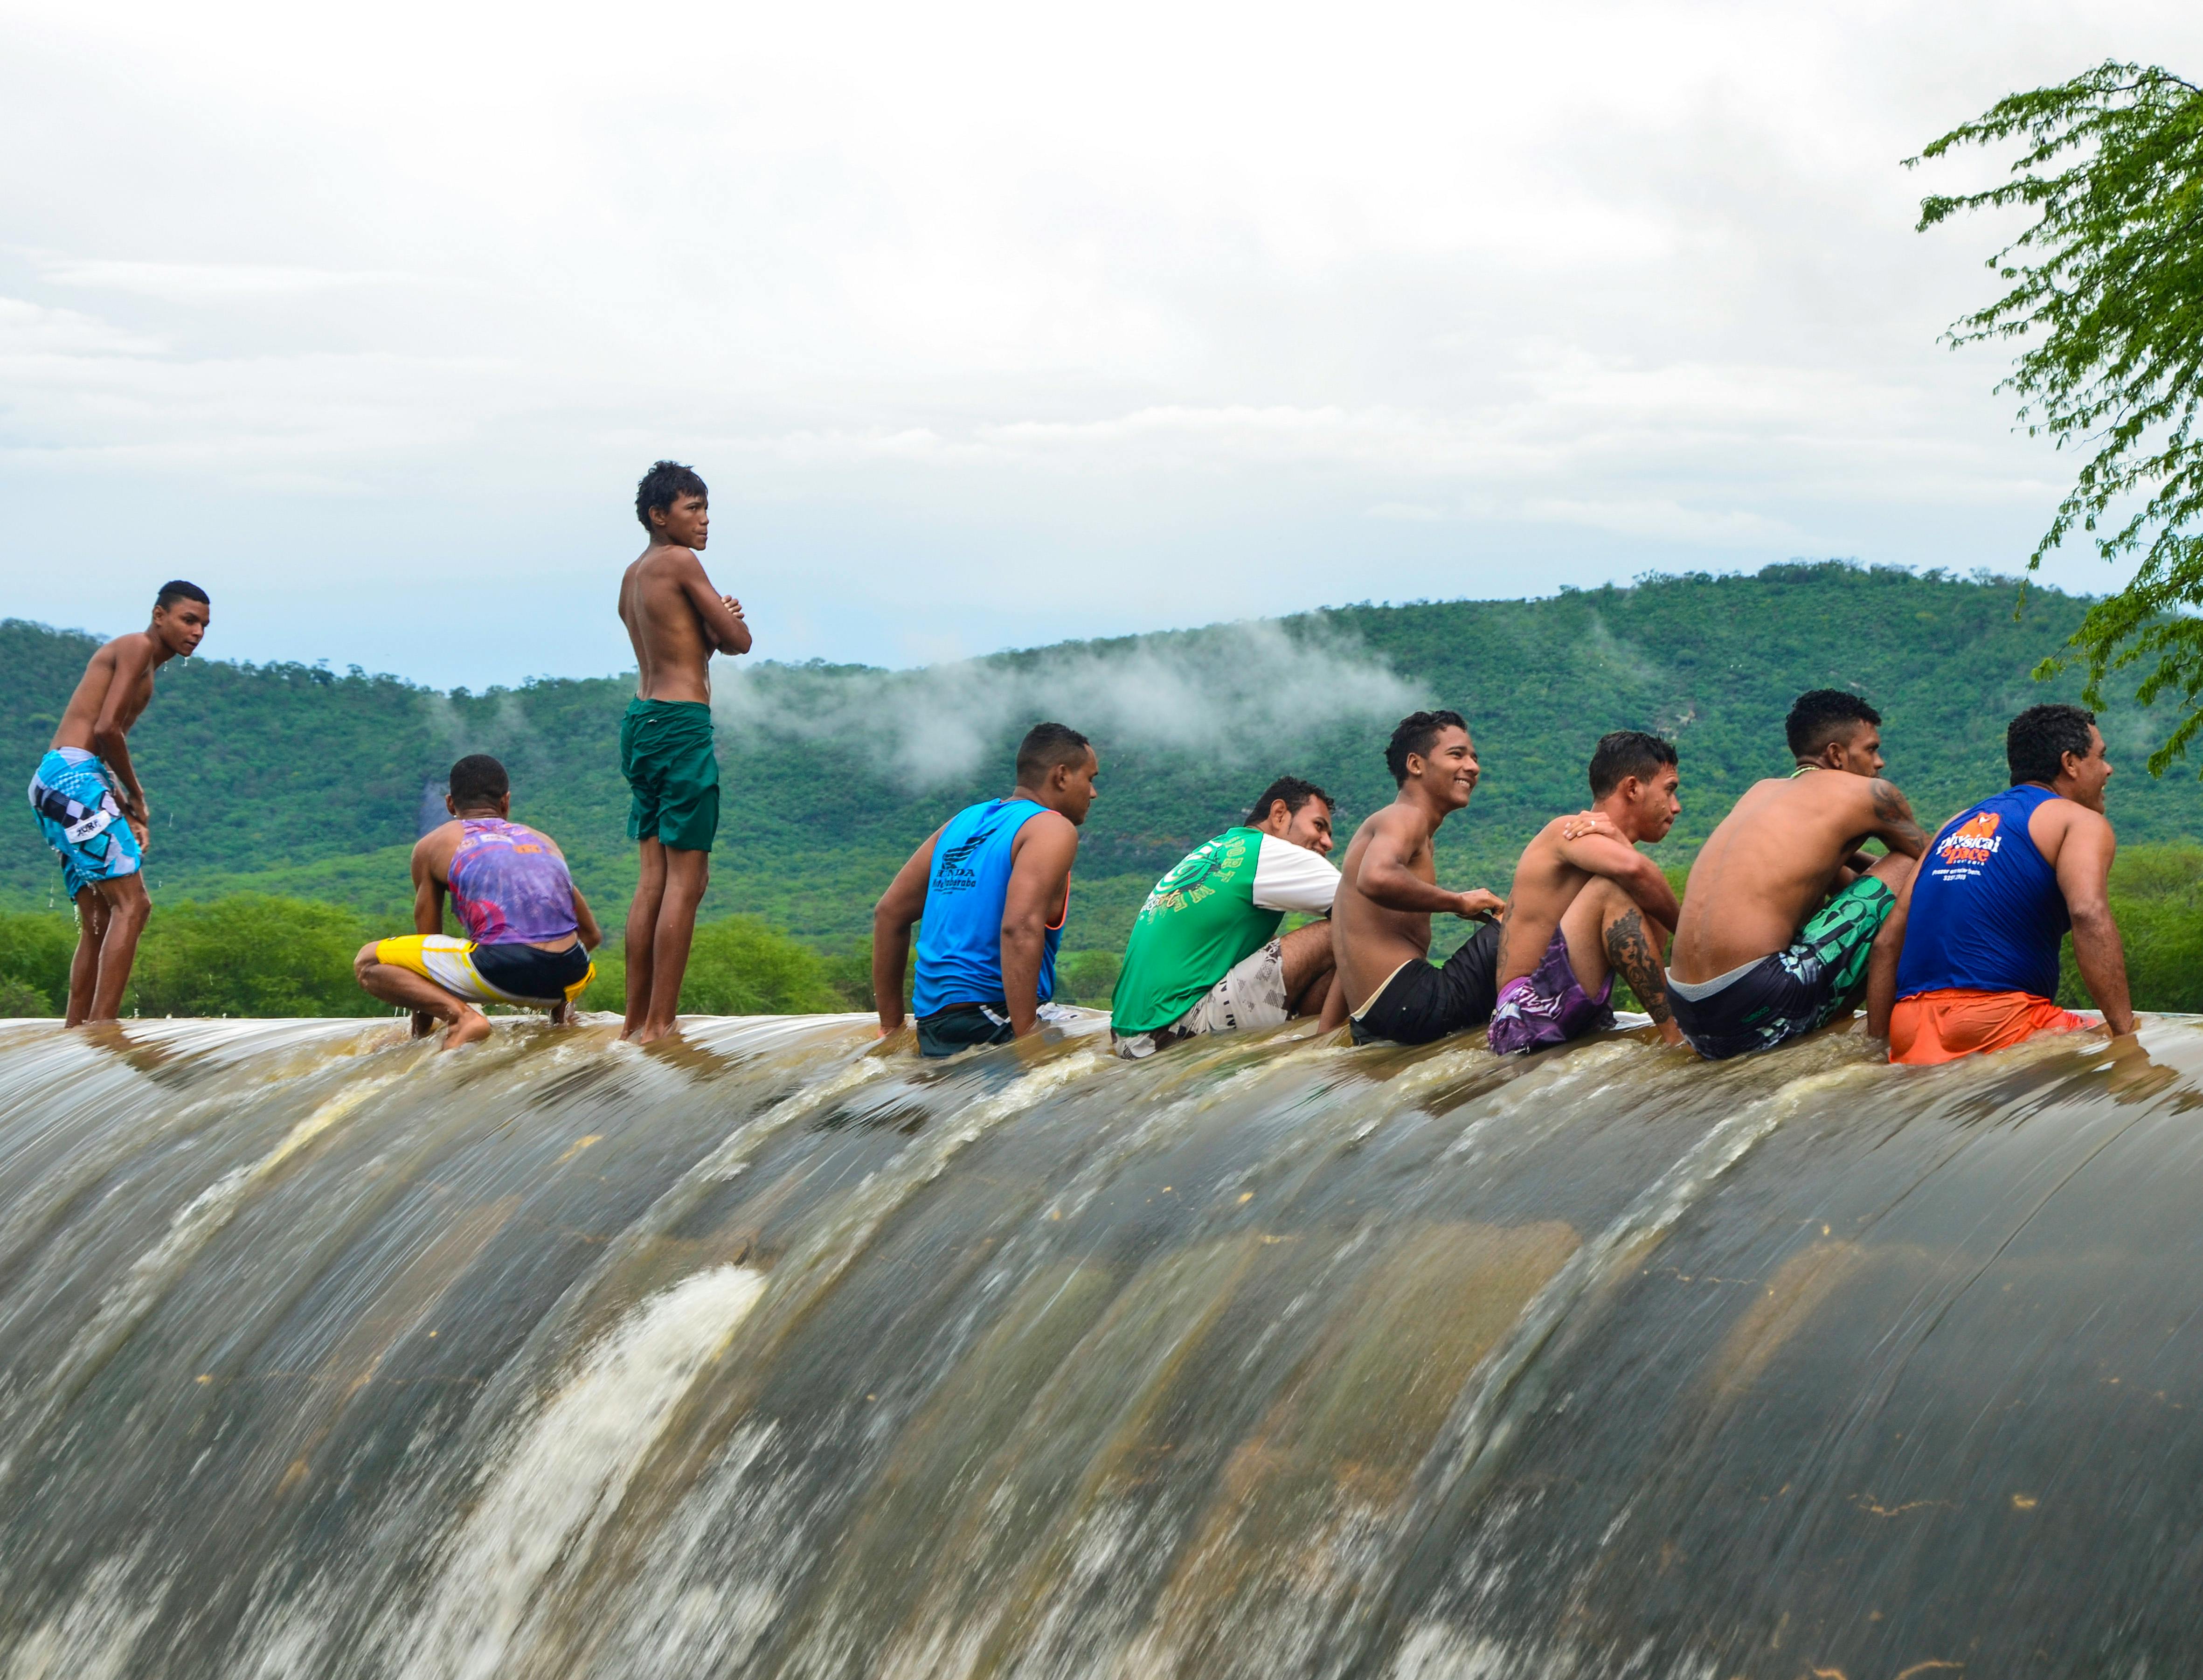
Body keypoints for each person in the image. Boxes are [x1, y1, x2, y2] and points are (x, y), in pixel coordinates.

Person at [1665, 689, 1926, 1060]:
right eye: (1871, 749)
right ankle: (1881, 1040)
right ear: (1837, 754)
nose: (1880, 763)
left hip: (1690, 1013)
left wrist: (1852, 859)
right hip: (1757, 999)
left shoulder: (1761, 791)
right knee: (1907, 865)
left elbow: (1845, 889)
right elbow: (1938, 862)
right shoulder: (1873, 794)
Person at [1883, 703, 2134, 1064]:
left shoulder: (1955, 824)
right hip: (2000, 1020)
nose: (2108, 769)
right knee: (2122, 1044)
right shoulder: (2079, 822)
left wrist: (1881, 1043)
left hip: (1908, 1024)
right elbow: (2088, 912)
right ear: (2071, 763)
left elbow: (1888, 940)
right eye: (2101, 757)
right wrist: (2126, 1033)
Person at [29, 580, 211, 1026]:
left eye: (205, 625)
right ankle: (104, 1029)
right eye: (189, 620)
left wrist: (125, 810)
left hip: (61, 781)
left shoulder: (148, 666)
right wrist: (137, 796)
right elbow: (109, 730)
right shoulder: (135, 647)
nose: (198, 632)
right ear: (159, 616)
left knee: (98, 918)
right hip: (74, 775)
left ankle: (76, 1033)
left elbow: (101, 740)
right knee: (135, 905)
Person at [616, 460, 753, 1044]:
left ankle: (632, 1022)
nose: (703, 521)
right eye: (691, 509)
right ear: (658, 515)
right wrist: (726, 622)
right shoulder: (679, 561)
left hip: (642, 721)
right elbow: (739, 642)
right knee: (686, 881)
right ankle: (661, 1024)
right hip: (680, 723)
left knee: (652, 878)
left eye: (704, 509)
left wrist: (714, 631)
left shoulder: (632, 575)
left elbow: (695, 645)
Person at [873, 723, 1098, 1057]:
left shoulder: (962, 822)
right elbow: (1019, 927)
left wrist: (891, 1029)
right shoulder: (1052, 828)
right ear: (1062, 776)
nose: (1093, 793)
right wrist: (1028, 1039)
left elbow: (889, 913)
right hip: (994, 1016)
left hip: (933, 1024)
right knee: (1112, 1043)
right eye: (1090, 779)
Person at [354, 755, 603, 1049]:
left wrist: (419, 1037)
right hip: (571, 975)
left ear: (450, 804)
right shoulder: (542, 841)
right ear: (506, 802)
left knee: (368, 960)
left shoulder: (432, 846)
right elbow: (590, 935)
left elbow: (427, 943)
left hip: (501, 970)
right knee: (557, 945)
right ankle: (561, 1023)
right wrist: (559, 1005)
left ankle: (463, 1018)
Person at [1109, 776, 1343, 1059]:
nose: (1328, 843)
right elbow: (1367, 904)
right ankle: (1323, 1049)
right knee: (1342, 929)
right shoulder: (1269, 852)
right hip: (1172, 1029)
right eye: (1319, 826)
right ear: (1279, 814)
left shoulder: (1218, 849)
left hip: (1129, 1036)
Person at [1488, 731, 1685, 1055]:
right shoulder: (1567, 831)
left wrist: (1624, 847)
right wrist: (1693, 934)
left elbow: (1651, 948)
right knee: (1609, 891)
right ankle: (1678, 1035)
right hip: (1524, 1015)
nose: (1676, 807)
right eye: (1670, 790)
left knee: (1633, 891)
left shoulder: (1619, 860)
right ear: (1633, 788)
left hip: (1573, 1014)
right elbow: (1637, 872)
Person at [1331, 710, 1510, 1045]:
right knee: (1531, 909)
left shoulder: (1394, 826)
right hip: (1414, 1005)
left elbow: (1349, 931)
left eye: (1474, 758)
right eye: (1457, 755)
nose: (1473, 767)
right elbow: (1375, 879)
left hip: (1376, 1020)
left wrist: (1328, 1035)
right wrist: (1459, 900)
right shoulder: (1405, 817)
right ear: (1416, 765)